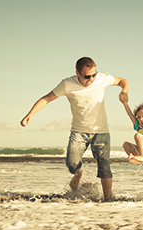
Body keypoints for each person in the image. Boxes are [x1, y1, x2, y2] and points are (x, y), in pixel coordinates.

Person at [20, 57, 129, 201]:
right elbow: (46, 98)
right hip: (79, 132)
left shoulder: (101, 79)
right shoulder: (67, 84)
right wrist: (30, 114)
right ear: (77, 73)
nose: (91, 79)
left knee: (104, 166)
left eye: (93, 75)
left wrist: (124, 91)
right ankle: (78, 174)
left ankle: (108, 199)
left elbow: (122, 80)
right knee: (71, 164)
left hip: (101, 132)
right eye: (87, 76)